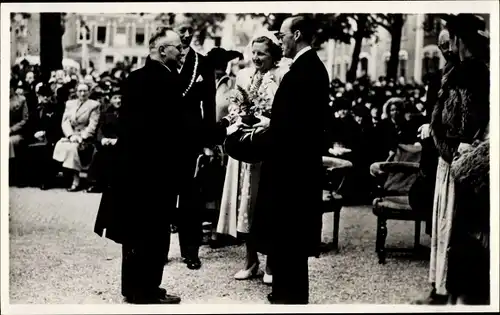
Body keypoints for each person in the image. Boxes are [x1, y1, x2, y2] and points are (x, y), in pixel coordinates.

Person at [94, 27, 241, 304]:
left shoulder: (134, 78)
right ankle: (147, 291)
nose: (181, 52)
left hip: (131, 168)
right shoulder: (168, 82)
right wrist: (224, 128)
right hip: (157, 171)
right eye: (177, 47)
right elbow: (186, 128)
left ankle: (132, 288)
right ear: (163, 50)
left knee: (135, 232)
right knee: (154, 230)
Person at [231, 15, 329, 304]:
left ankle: (290, 296)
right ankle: (286, 290)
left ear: (296, 34)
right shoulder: (307, 68)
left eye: (282, 34)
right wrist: (270, 124)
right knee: (288, 236)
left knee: (289, 235)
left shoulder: (304, 70)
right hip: (295, 165)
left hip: (292, 169)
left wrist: (255, 139)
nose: (280, 39)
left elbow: (295, 126)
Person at [216, 30, 288, 285]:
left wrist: (265, 118)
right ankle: (250, 260)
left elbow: (281, 112)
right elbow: (236, 104)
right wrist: (238, 114)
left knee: (264, 205)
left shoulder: (280, 76)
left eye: (263, 54)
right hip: (246, 145)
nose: (257, 58)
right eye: (254, 53)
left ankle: (271, 264)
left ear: (273, 56)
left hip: (267, 147)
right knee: (244, 204)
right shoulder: (244, 75)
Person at [427, 14, 489, 305]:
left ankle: (454, 292)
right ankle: (445, 288)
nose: (449, 47)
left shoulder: (474, 72)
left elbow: (470, 119)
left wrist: (461, 145)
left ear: (461, 40)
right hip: (450, 156)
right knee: (447, 224)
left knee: (455, 226)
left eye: (452, 40)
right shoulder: (459, 70)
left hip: (462, 159)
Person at [170, 14, 222, 270]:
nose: (185, 35)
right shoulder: (161, 61)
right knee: (164, 194)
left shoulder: (202, 63)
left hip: (192, 138)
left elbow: (210, 104)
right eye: (181, 30)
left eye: (189, 30)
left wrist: (209, 142)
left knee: (191, 196)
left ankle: (190, 251)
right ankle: (158, 250)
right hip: (165, 138)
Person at [52, 82, 100, 191]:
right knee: (60, 145)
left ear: (89, 92)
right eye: (80, 91)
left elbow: (93, 125)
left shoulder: (94, 105)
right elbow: (65, 122)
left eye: (85, 91)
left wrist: (81, 137)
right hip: (71, 135)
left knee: (73, 148)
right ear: (76, 92)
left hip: (85, 137)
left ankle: (76, 178)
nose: (82, 94)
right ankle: (65, 176)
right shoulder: (70, 104)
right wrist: (70, 135)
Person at [86, 89, 122, 193]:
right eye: (115, 98)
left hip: (121, 142)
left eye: (120, 98)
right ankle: (96, 183)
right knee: (100, 154)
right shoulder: (105, 113)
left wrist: (118, 140)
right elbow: (100, 129)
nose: (118, 100)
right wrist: (103, 139)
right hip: (107, 142)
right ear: (110, 100)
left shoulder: (128, 112)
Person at [9, 81, 30, 186]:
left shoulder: (21, 100)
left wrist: (11, 129)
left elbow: (25, 119)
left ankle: (12, 174)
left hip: (16, 132)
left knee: (9, 142)